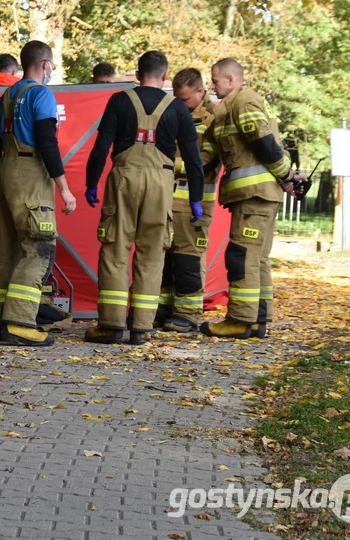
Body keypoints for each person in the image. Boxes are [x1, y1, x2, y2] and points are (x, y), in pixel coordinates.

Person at [83, 51, 204, 345]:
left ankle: (111, 325)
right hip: (161, 183)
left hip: (123, 178)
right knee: (152, 255)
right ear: (165, 76)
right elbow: (193, 158)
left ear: (137, 74)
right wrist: (196, 198)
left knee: (115, 250)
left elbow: (101, 147)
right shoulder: (178, 108)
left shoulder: (120, 100)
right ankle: (141, 328)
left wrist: (91, 183)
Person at [0, 40, 77, 346]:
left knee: (9, 248)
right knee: (40, 246)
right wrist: (64, 188)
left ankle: (1, 320)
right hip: (29, 174)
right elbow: (47, 143)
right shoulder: (41, 95)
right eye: (52, 66)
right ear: (45, 64)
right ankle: (21, 322)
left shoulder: (6, 96)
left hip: (3, 172)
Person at [199, 58, 295, 339]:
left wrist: (286, 175)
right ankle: (258, 319)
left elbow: (264, 143)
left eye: (215, 80)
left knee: (242, 256)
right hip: (257, 196)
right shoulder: (226, 110)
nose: (212, 86)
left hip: (255, 195)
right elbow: (209, 156)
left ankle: (240, 320)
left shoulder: (244, 101)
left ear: (230, 79)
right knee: (257, 258)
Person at [156, 68, 218, 333]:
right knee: (164, 258)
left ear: (201, 93)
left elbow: (205, 160)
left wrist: (167, 165)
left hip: (194, 200)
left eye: (185, 100)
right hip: (165, 198)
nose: (179, 104)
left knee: (187, 259)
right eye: (176, 98)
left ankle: (188, 314)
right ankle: (163, 309)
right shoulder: (171, 113)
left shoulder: (213, 119)